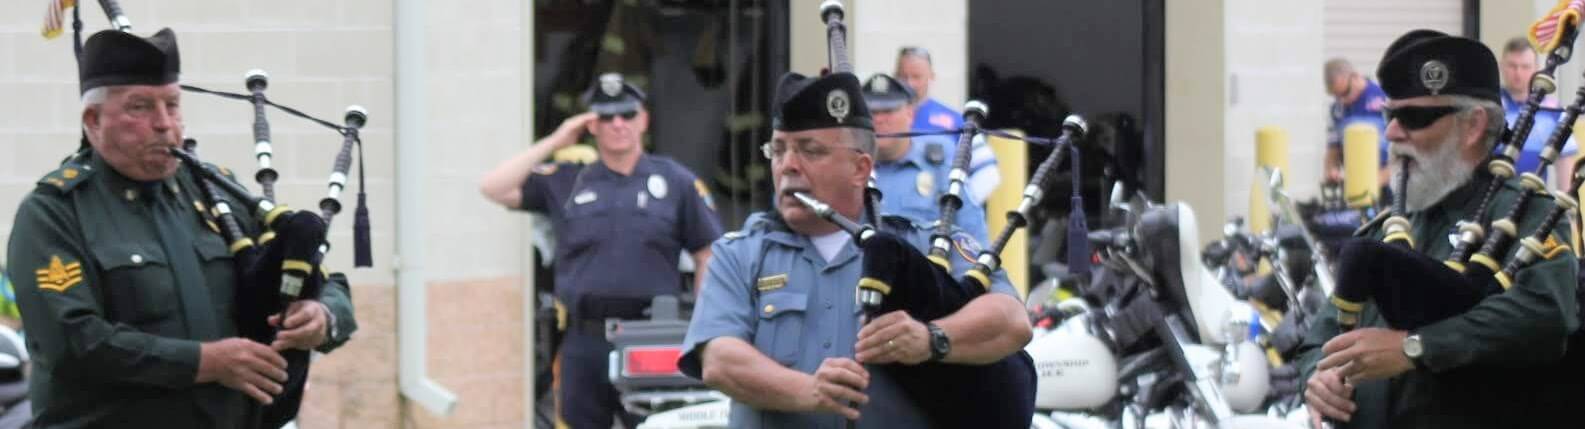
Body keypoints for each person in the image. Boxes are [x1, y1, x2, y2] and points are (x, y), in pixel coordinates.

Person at [4, 28, 358, 427]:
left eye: (172, 105)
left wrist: (323, 316)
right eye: (140, 107)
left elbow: (322, 275)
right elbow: (71, 342)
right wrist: (205, 363)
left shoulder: (213, 193)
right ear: (93, 120)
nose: (164, 124)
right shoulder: (57, 211)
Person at [677, 70, 1032, 428]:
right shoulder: (740, 254)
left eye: (810, 150)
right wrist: (809, 390)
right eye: (779, 149)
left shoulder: (922, 245)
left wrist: (932, 338)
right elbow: (719, 360)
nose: (788, 166)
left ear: (860, 168)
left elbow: (1011, 321)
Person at [1298, 30, 1579, 428]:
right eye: (1389, 115)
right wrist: (1316, 377)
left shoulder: (1524, 215)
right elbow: (1319, 338)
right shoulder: (1384, 229)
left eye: (1414, 117)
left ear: (1473, 125)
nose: (1392, 133)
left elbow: (1546, 315)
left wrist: (1416, 347)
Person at [479, 72, 724, 429]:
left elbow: (708, 255)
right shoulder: (567, 179)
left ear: (644, 119)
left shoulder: (675, 181)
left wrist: (705, 331)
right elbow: (493, 188)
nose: (618, 124)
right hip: (584, 339)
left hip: (654, 337)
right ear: (592, 125)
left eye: (627, 114)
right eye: (606, 117)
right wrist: (557, 139)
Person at [861, 73, 990, 243]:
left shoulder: (938, 161)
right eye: (872, 112)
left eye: (888, 111)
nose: (879, 120)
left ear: (910, 113)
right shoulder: (849, 168)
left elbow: (972, 234)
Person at [895, 46, 1000, 205]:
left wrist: (956, 209)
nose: (909, 83)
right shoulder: (879, 120)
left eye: (916, 77)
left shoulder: (955, 121)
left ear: (931, 77)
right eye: (903, 76)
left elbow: (988, 174)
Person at [1497, 36, 1577, 184]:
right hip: (1491, 198)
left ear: (1537, 69)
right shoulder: (1490, 106)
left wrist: (1564, 207)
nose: (1518, 73)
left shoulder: (1554, 111)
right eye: (1512, 66)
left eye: (1525, 66)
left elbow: (1565, 164)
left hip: (1531, 199)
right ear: (1501, 66)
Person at [1323, 58, 1390, 183]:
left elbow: (1404, 150)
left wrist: (1379, 179)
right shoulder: (1336, 110)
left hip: (1387, 184)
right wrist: (1331, 171)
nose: (1342, 100)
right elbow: (1333, 148)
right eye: (1336, 96)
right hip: (1355, 185)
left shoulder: (1385, 99)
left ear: (1356, 77)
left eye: (1345, 93)